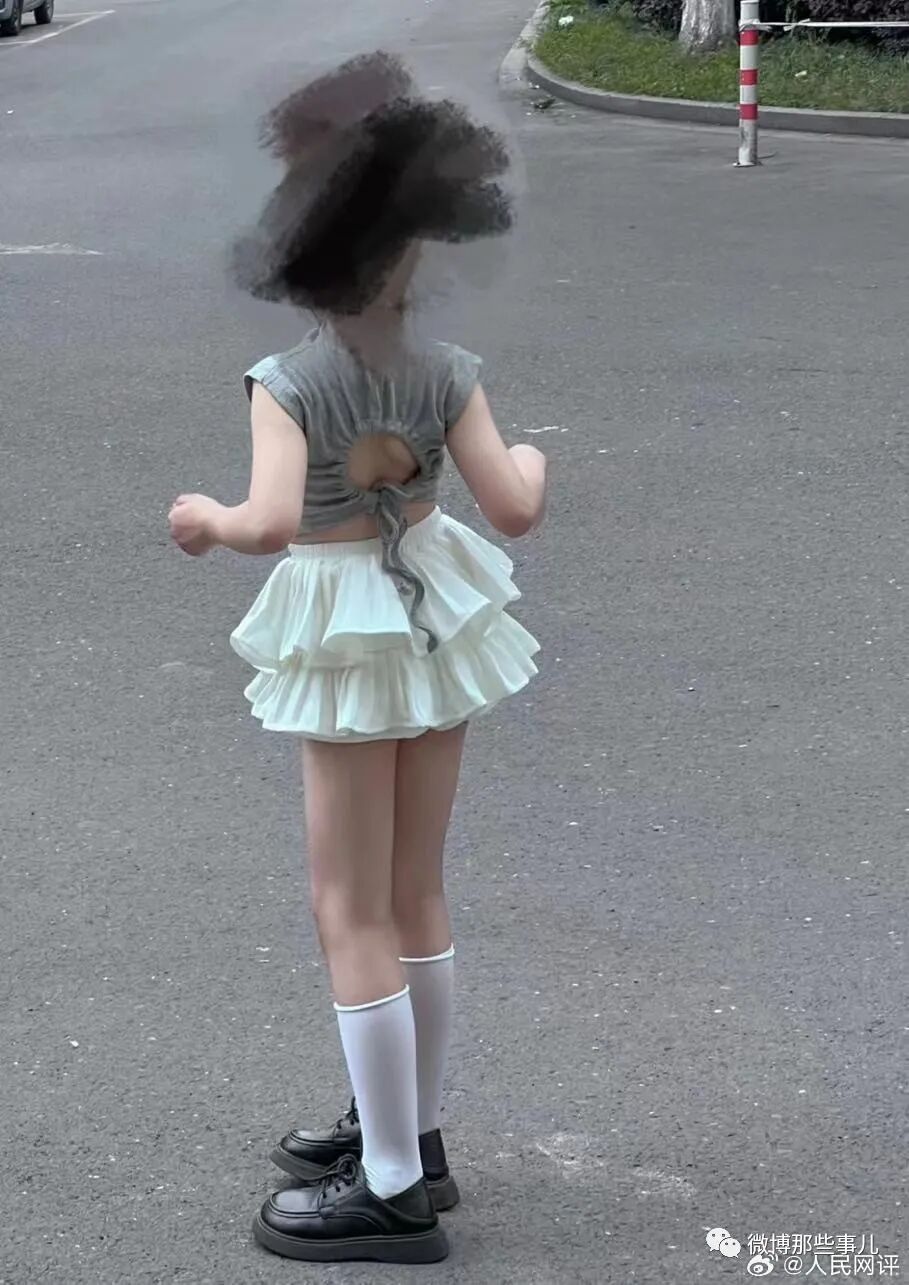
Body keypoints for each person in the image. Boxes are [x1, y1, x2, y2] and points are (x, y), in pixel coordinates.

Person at [168, 52, 546, 1265]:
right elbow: (514, 505)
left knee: (348, 905)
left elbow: (272, 520)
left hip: (342, 630)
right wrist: (533, 463)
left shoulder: (287, 384)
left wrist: (207, 519)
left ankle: (387, 1185)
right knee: (418, 890)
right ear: (421, 250)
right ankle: (412, 1135)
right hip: (435, 613)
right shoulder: (446, 373)